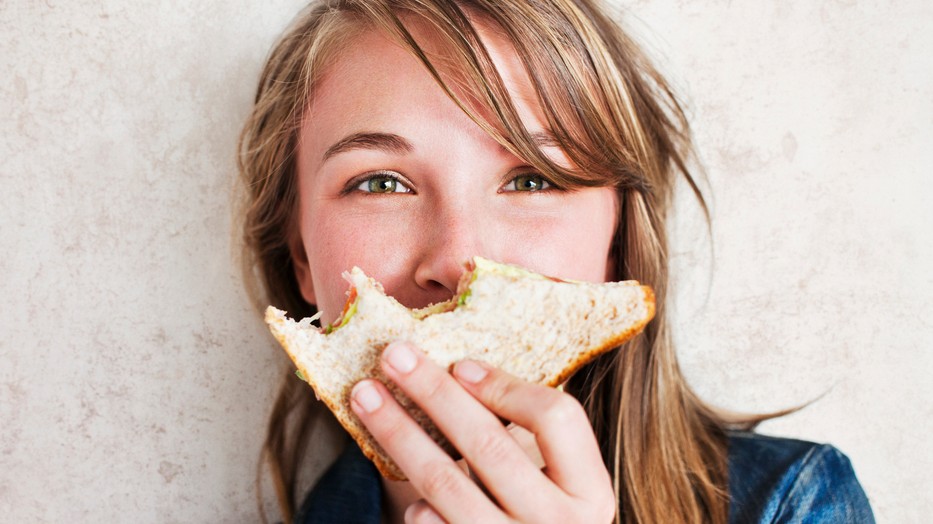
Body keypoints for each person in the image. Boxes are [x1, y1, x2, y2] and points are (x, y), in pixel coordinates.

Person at [236, 0, 875, 522]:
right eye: (380, 184)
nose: (460, 260)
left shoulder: (793, 503)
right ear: (300, 257)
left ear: (617, 239)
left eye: (532, 179)